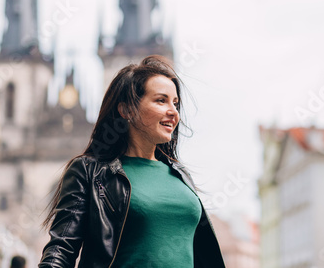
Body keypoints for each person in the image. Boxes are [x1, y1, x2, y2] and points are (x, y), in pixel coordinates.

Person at [38, 55, 225, 268]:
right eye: (161, 100)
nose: (174, 112)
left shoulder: (181, 176)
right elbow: (60, 252)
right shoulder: (89, 171)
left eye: (175, 103)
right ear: (127, 110)